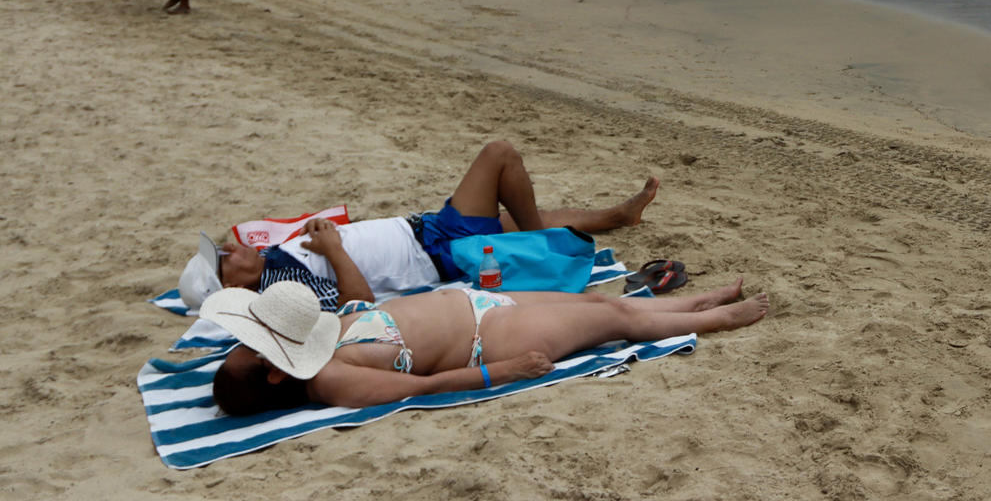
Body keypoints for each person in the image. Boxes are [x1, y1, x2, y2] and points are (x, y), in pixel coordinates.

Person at [178, 140, 661, 313]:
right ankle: (544, 246)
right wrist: (333, 249)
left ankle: (618, 217)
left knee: (510, 219)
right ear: (231, 286)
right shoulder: (283, 290)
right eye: (224, 258)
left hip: (426, 231)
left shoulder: (273, 263)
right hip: (437, 253)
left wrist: (326, 237)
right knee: (500, 155)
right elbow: (356, 306)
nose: (231, 246)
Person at [207, 277, 769, 414]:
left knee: (600, 302)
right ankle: (717, 318)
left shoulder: (312, 337)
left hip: (471, 300)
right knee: (614, 318)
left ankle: (689, 305)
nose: (254, 342)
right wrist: (505, 370)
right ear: (277, 373)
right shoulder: (332, 380)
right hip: (485, 338)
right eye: (254, 348)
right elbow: (422, 387)